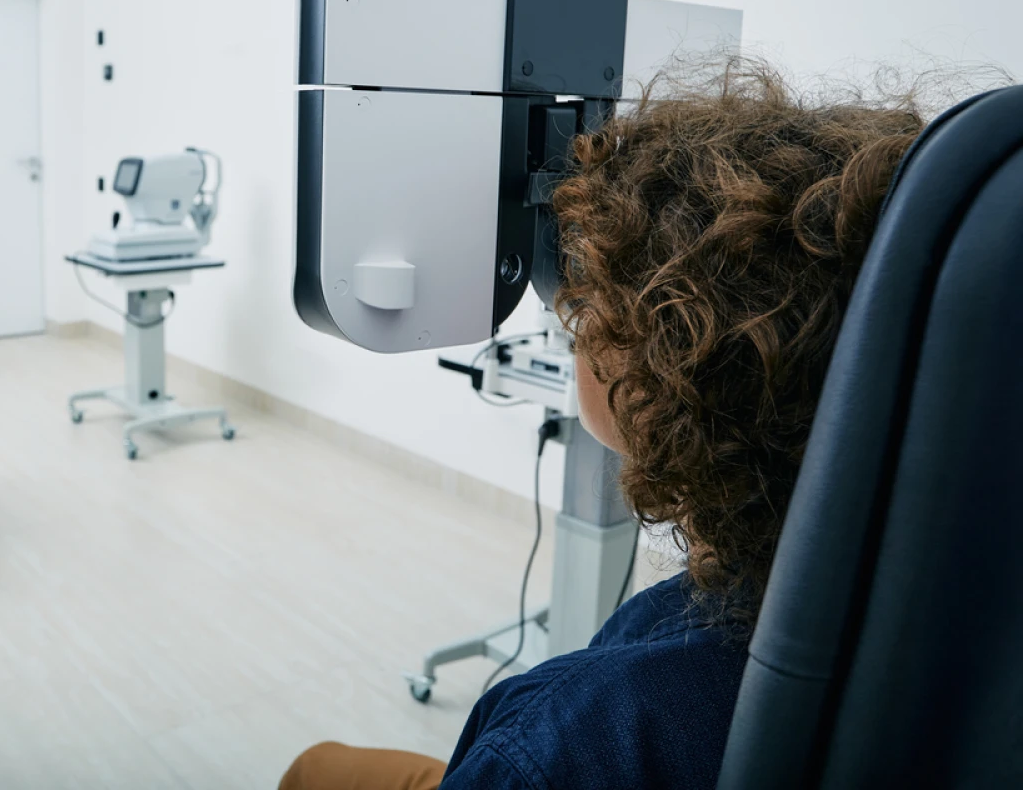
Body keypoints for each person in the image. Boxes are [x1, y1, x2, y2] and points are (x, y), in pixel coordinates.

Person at [279, 58, 929, 790]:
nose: (572, 318)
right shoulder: (937, 601)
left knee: (312, 771)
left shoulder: (571, 729)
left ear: (668, 376)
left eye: (591, 301)